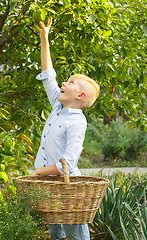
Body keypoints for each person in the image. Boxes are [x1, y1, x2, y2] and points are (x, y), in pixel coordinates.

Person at [30, 17, 100, 240]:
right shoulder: (57, 105)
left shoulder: (77, 122)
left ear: (79, 96)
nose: (63, 83)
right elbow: (48, 76)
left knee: (75, 234)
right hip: (48, 185)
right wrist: (45, 40)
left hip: (67, 190)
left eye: (69, 82)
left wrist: (38, 172)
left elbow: (67, 165)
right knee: (55, 234)